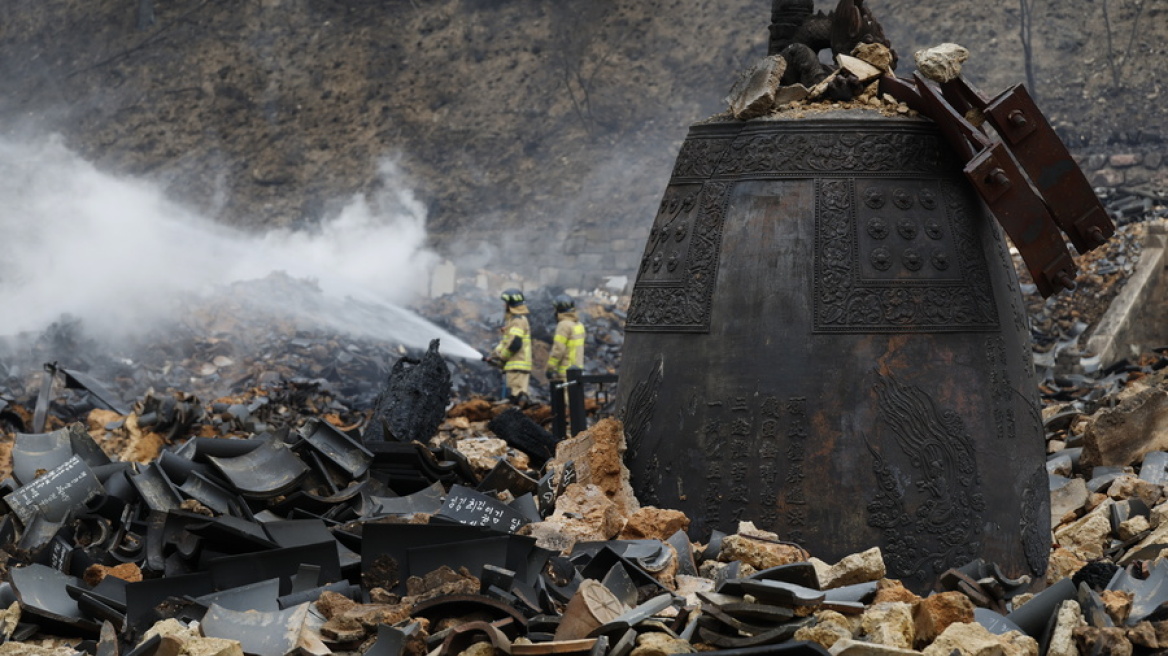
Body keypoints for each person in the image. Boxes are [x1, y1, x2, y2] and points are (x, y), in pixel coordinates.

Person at [485, 288, 533, 405]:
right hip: (516, 366)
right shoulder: (514, 321)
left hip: (518, 365)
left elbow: (515, 343)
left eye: (505, 303)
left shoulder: (517, 321)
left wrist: (502, 357)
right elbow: (508, 341)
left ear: (511, 304)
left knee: (518, 398)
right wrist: (495, 355)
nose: (503, 305)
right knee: (515, 397)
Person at [545, 293, 586, 381]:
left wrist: (550, 368)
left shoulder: (563, 325)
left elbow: (558, 349)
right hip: (578, 370)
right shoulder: (579, 325)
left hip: (566, 372)